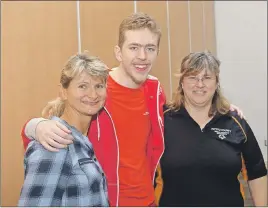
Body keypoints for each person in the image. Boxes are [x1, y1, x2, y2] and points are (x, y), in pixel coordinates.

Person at [20, 13, 244, 206]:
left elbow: (178, 114)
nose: (142, 57)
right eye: (134, 47)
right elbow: (58, 114)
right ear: (119, 52)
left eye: (150, 48)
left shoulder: (154, 90)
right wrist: (34, 126)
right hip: (104, 200)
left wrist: (217, 105)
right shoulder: (97, 89)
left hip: (148, 201)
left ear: (157, 51)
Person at [155, 51, 267, 207]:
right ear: (182, 82)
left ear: (216, 83)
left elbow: (257, 173)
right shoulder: (162, 120)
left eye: (207, 78)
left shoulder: (235, 122)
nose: (199, 84)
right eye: (192, 77)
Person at [18, 53, 110, 206]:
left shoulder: (79, 140)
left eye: (99, 86)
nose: (93, 94)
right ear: (63, 92)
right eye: (83, 86)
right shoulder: (55, 143)